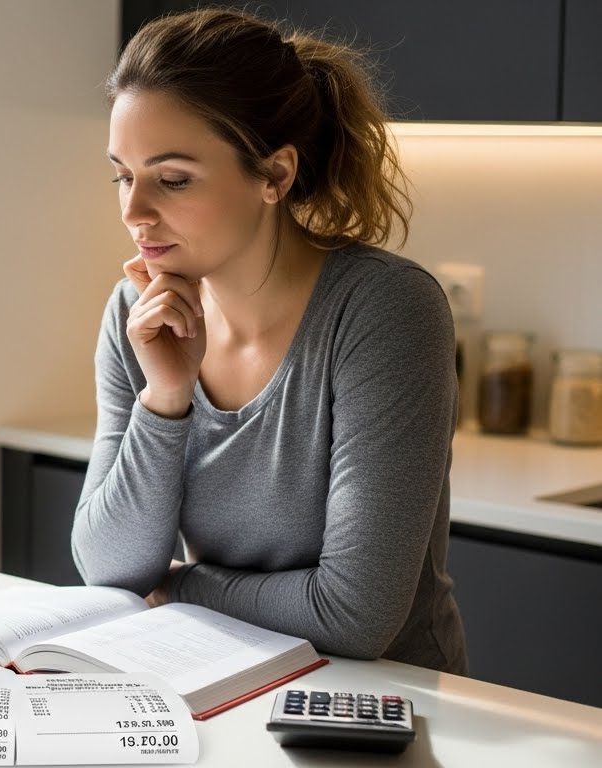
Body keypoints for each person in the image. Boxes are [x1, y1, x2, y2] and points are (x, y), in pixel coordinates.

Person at [70, 7, 467, 674]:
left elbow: (355, 616)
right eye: (121, 174)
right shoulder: (137, 311)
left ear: (275, 176)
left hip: (382, 704)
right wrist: (166, 396)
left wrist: (180, 585)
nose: (132, 211)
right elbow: (108, 569)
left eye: (172, 178)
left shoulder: (382, 310)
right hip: (216, 680)